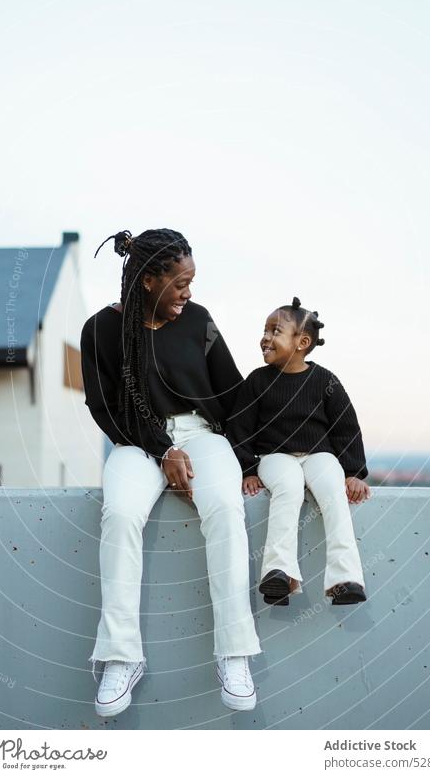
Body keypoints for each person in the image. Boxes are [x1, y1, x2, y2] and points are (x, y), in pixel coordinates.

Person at [80, 227, 261, 717]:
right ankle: (121, 657)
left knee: (224, 507)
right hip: (137, 443)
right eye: (179, 282)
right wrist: (161, 450)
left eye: (191, 281)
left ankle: (234, 653)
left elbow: (233, 392)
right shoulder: (101, 330)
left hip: (202, 437)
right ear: (146, 280)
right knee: (119, 514)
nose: (188, 293)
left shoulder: (199, 320)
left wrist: (253, 460)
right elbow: (105, 408)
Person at [226, 296, 370, 608]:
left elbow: (346, 427)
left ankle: (345, 578)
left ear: (302, 341)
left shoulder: (325, 381)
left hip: (319, 455)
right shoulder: (257, 382)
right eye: (264, 330)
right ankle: (279, 573)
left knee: (333, 492)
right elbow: (239, 428)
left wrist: (354, 472)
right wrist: (247, 469)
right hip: (274, 457)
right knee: (288, 489)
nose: (265, 337)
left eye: (275, 331)